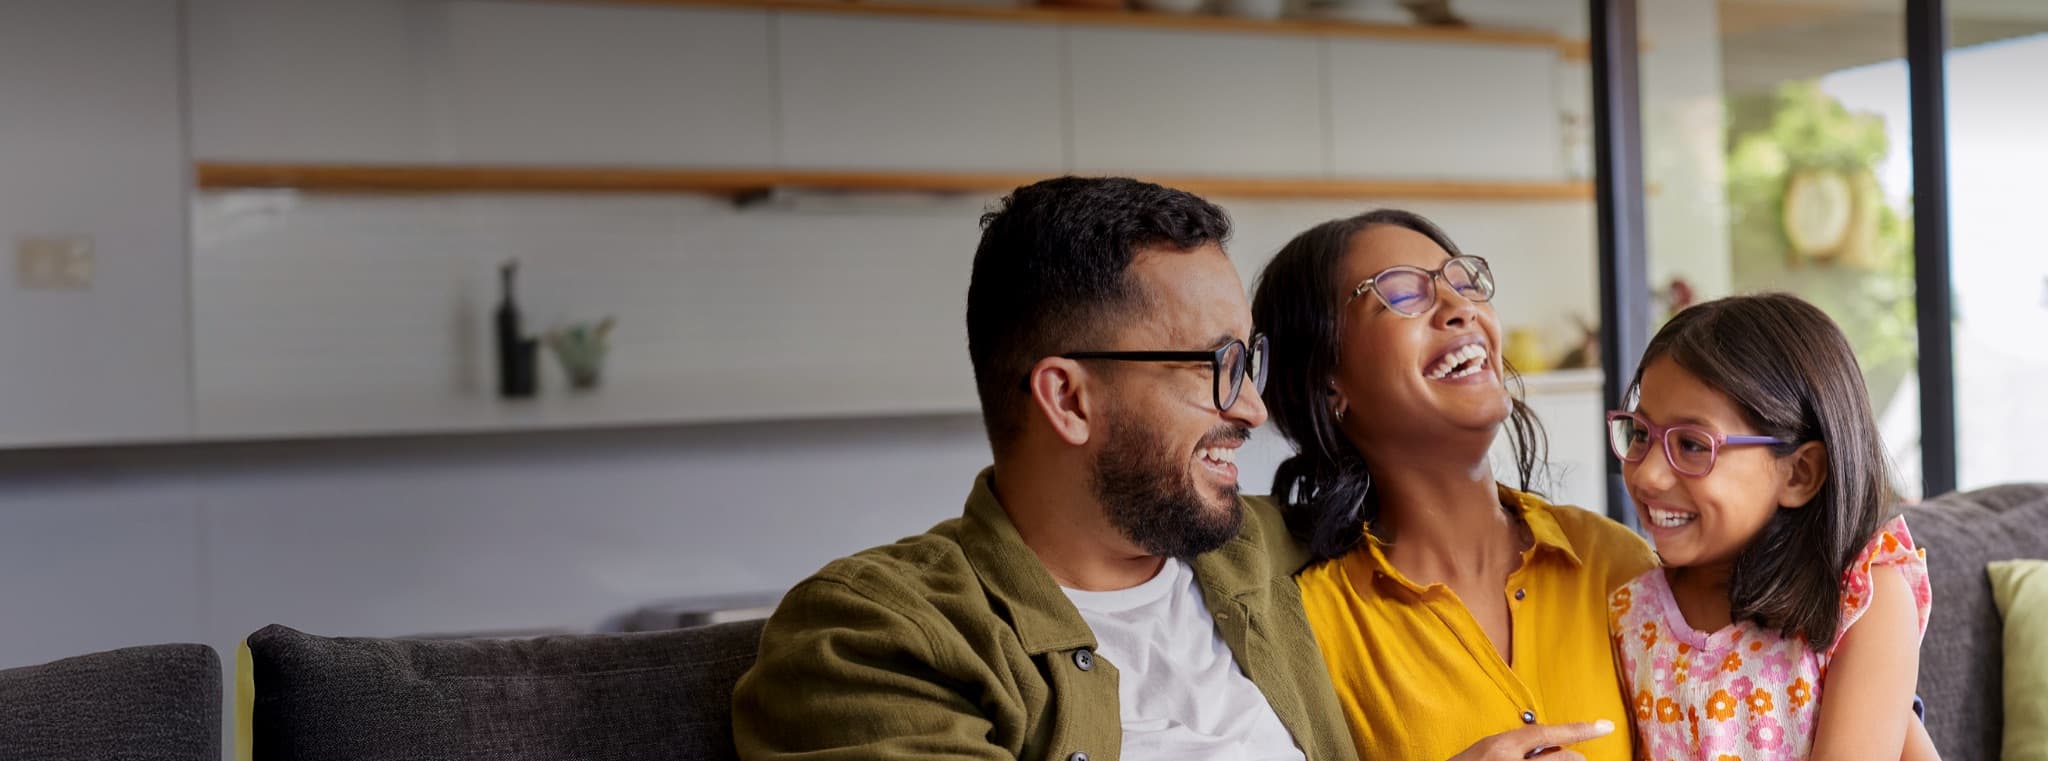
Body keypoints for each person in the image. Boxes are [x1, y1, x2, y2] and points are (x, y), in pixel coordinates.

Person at [730, 176, 1357, 761]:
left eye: (1249, 362)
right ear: (1068, 399)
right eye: (1214, 364)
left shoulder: (1277, 545)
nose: (1251, 407)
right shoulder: (874, 636)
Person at [1250, 209, 1649, 761]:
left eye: (1462, 281)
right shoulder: (1309, 631)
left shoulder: (1617, 565)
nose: (1460, 308)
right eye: (1402, 294)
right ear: (1327, 382)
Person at [1606, 293, 1939, 760]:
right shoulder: (1629, 613)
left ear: (1800, 473)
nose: (1647, 475)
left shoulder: (1863, 600)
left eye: (1692, 445)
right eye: (1640, 434)